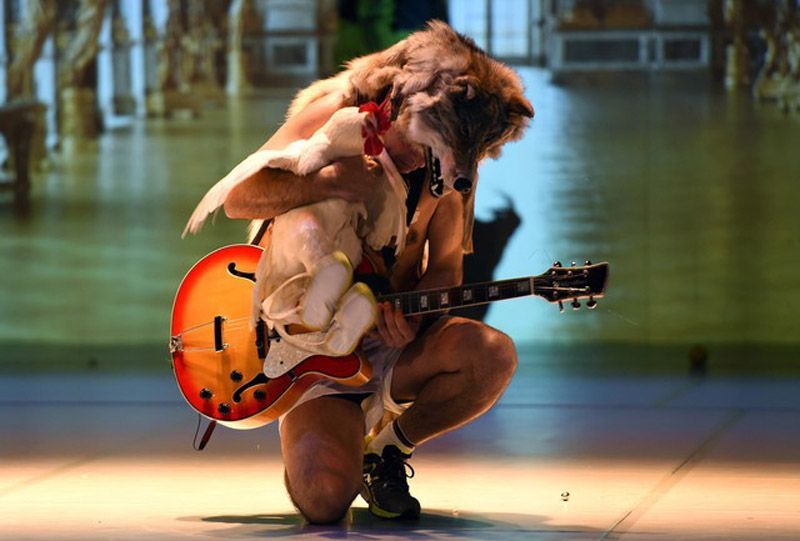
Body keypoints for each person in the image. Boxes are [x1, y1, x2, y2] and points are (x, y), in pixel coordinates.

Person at [224, 91, 518, 524]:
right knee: (324, 499)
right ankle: (325, 428)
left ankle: (387, 451)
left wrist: (412, 320)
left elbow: (445, 269)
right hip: (308, 351)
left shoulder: (450, 163)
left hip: (387, 342)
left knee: (490, 355)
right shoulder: (336, 112)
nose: (421, 159)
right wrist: (327, 182)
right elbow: (238, 199)